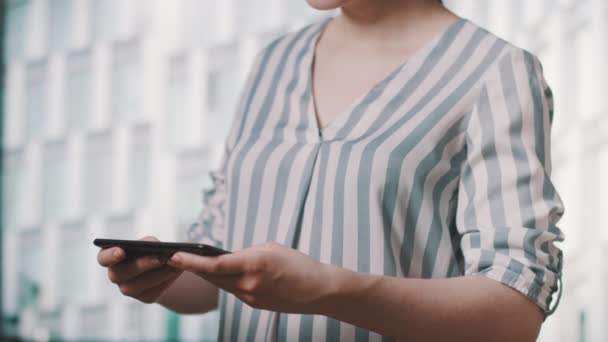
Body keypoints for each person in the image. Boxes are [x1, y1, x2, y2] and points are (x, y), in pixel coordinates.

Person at [96, 0, 565, 341]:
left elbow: (514, 314)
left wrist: (330, 290)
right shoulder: (272, 63)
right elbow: (221, 271)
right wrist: (163, 273)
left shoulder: (495, 70)